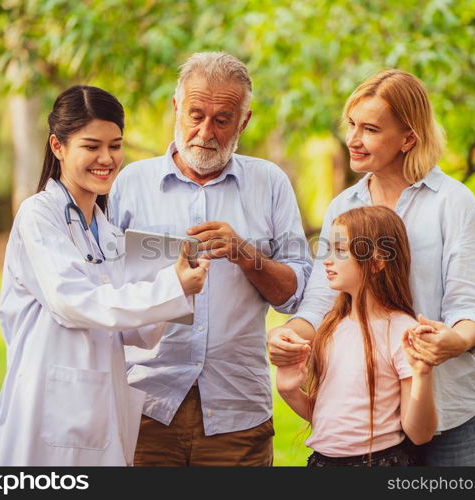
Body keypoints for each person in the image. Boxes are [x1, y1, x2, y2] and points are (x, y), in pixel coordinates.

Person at [268, 69, 475, 466]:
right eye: (352, 125)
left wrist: (454, 342)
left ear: (409, 138)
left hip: (455, 412)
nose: (354, 140)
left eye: (371, 129)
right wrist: (289, 335)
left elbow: (470, 305)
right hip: (377, 429)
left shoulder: (451, 201)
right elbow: (323, 300)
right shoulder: (344, 206)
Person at [0, 85, 209, 466]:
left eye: (115, 145)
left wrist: (177, 284)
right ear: (58, 147)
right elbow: (73, 302)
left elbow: (136, 334)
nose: (106, 159)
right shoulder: (39, 215)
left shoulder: (107, 233)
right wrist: (169, 288)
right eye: (91, 147)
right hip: (45, 410)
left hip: (99, 409)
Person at [110, 52, 312, 466]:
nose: (206, 131)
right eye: (196, 114)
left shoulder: (270, 183)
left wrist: (245, 255)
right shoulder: (130, 183)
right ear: (176, 108)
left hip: (237, 413)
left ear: (245, 121)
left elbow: (294, 295)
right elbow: (107, 293)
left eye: (222, 119)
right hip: (145, 404)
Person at [277, 206, 436, 467]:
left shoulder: (401, 331)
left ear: (377, 261)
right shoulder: (330, 327)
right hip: (323, 464)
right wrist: (288, 391)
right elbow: (328, 421)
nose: (327, 260)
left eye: (340, 251)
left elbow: (420, 434)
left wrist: (422, 375)